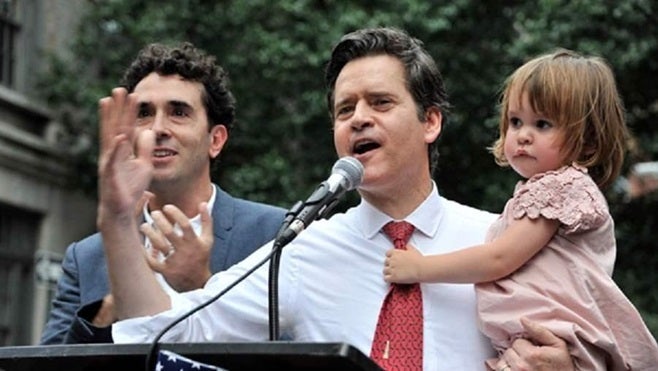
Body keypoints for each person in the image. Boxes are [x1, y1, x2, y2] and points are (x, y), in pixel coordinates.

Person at [98, 27, 575, 370]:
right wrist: (119, 220)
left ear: (431, 122)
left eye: (381, 103)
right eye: (345, 109)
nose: (359, 119)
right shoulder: (301, 249)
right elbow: (166, 335)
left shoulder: (503, 238)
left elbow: (596, 344)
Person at [384, 49, 658, 370]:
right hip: (535, 343)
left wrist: (420, 268)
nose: (523, 135)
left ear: (587, 143)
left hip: (553, 340)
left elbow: (499, 259)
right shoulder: (544, 191)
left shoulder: (560, 188)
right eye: (515, 121)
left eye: (542, 124)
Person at [40, 42, 286, 344]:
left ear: (216, 140)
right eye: (143, 113)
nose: (158, 128)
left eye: (178, 112)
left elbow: (291, 350)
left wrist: (200, 284)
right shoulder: (87, 257)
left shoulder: (274, 236)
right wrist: (114, 303)